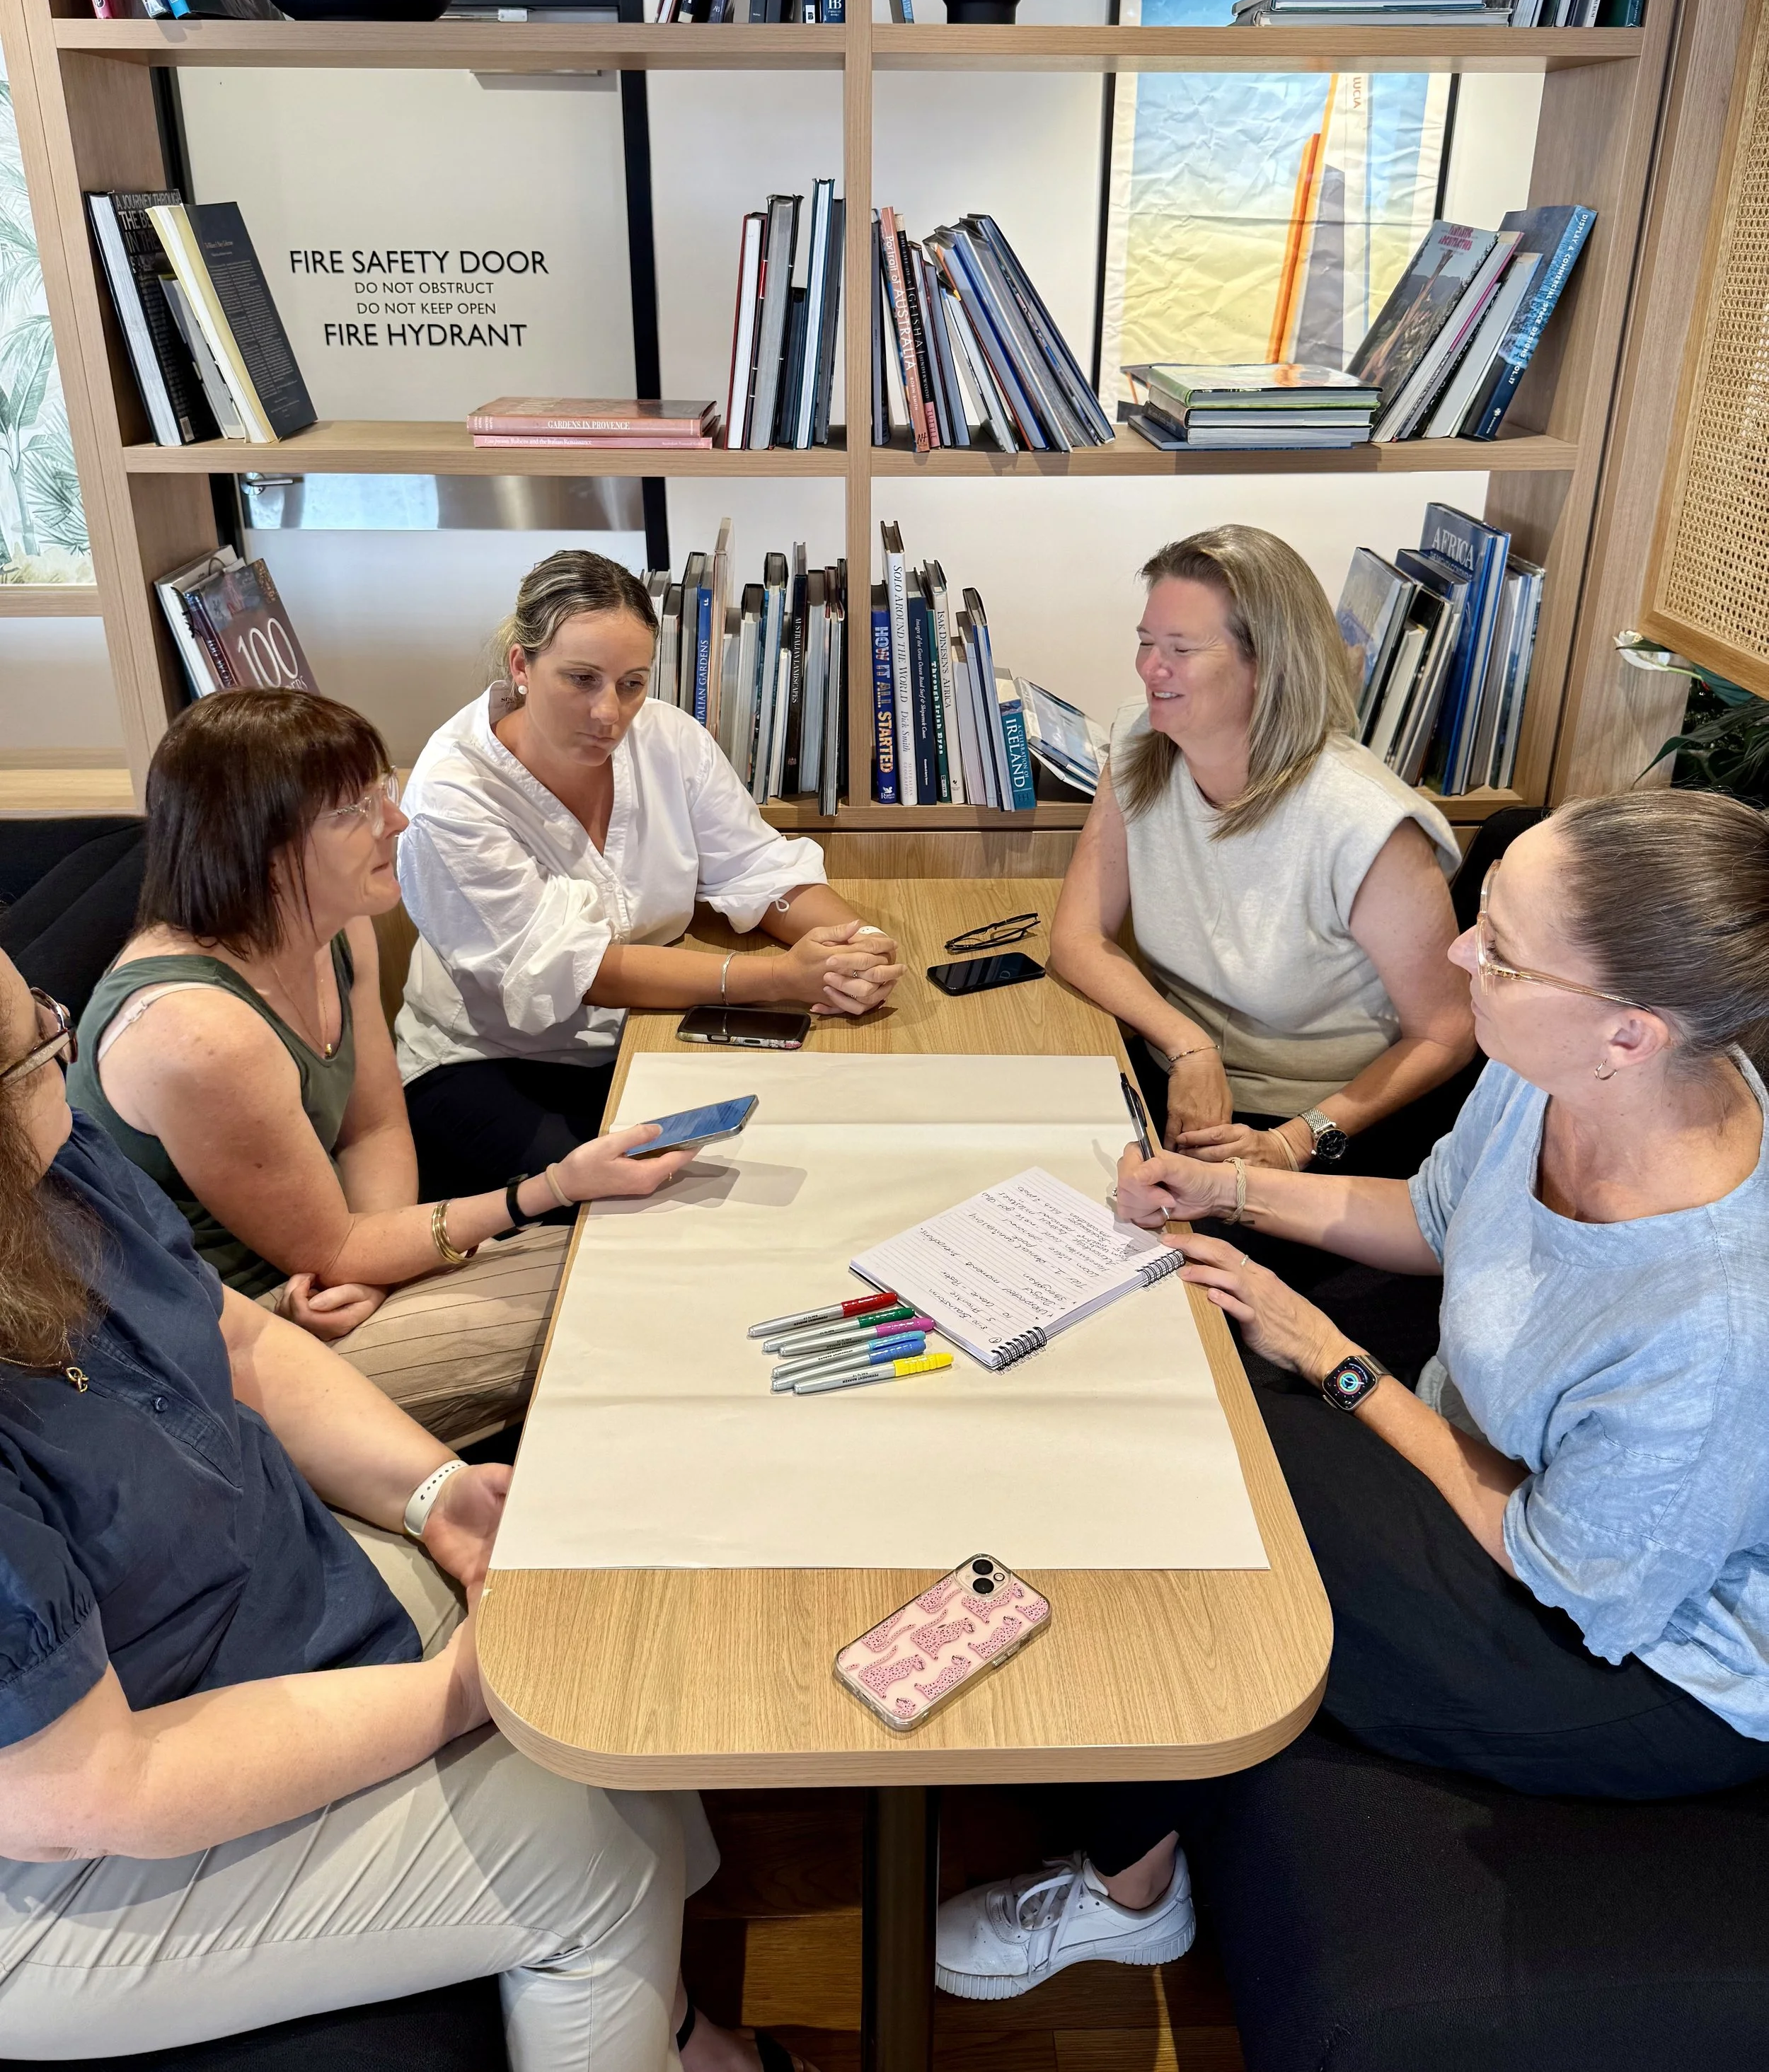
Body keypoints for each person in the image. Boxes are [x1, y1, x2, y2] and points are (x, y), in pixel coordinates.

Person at [935, 790, 1769, 2003]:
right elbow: (1439, 1218)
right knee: (1177, 1384)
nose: (1457, 953)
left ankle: (1131, 1895)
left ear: (1631, 1033)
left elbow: (1570, 1569)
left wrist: (1333, 1357)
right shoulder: (1552, 1069)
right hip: (1504, 1465)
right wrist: (1223, 1195)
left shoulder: (1716, 1323)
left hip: (1628, 1661)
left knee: (1195, 1492)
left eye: (1502, 947)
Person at [0, 946, 810, 2072]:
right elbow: (86, 1789)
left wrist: (437, 1494)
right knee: (580, 1846)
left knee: (599, 1640)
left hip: (260, 1617)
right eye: (39, 1043)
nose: (65, 1037)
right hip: (61, 1857)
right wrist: (453, 1692)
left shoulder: (52, 1165)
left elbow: (240, 1342)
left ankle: (671, 2025)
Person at [67, 689, 691, 1445]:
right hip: (221, 1344)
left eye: (381, 795)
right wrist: (550, 1188)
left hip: (325, 1279)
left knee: (638, 1256)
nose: (394, 822)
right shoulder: (199, 1033)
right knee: (624, 1285)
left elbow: (373, 1130)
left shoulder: (337, 927)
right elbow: (325, 1249)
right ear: (260, 848)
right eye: (352, 811)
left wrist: (370, 1261)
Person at [395, 550, 902, 1198]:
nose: (610, 712)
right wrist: (779, 976)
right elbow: (581, 968)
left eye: (631, 683)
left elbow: (758, 868)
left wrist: (852, 947)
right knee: (667, 1201)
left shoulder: (669, 739)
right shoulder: (452, 794)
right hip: (490, 1062)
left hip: (644, 1033)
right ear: (522, 665)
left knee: (820, 1143)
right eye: (581, 679)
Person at [1050, 527, 1474, 1180]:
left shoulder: (1367, 824)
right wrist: (1188, 1044)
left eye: (1181, 649)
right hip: (1181, 1080)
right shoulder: (1139, 744)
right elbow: (1077, 938)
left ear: (1268, 664)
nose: (1150, 667)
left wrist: (1295, 1140)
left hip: (1332, 1125)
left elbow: (1447, 1031)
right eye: (1146, 642)